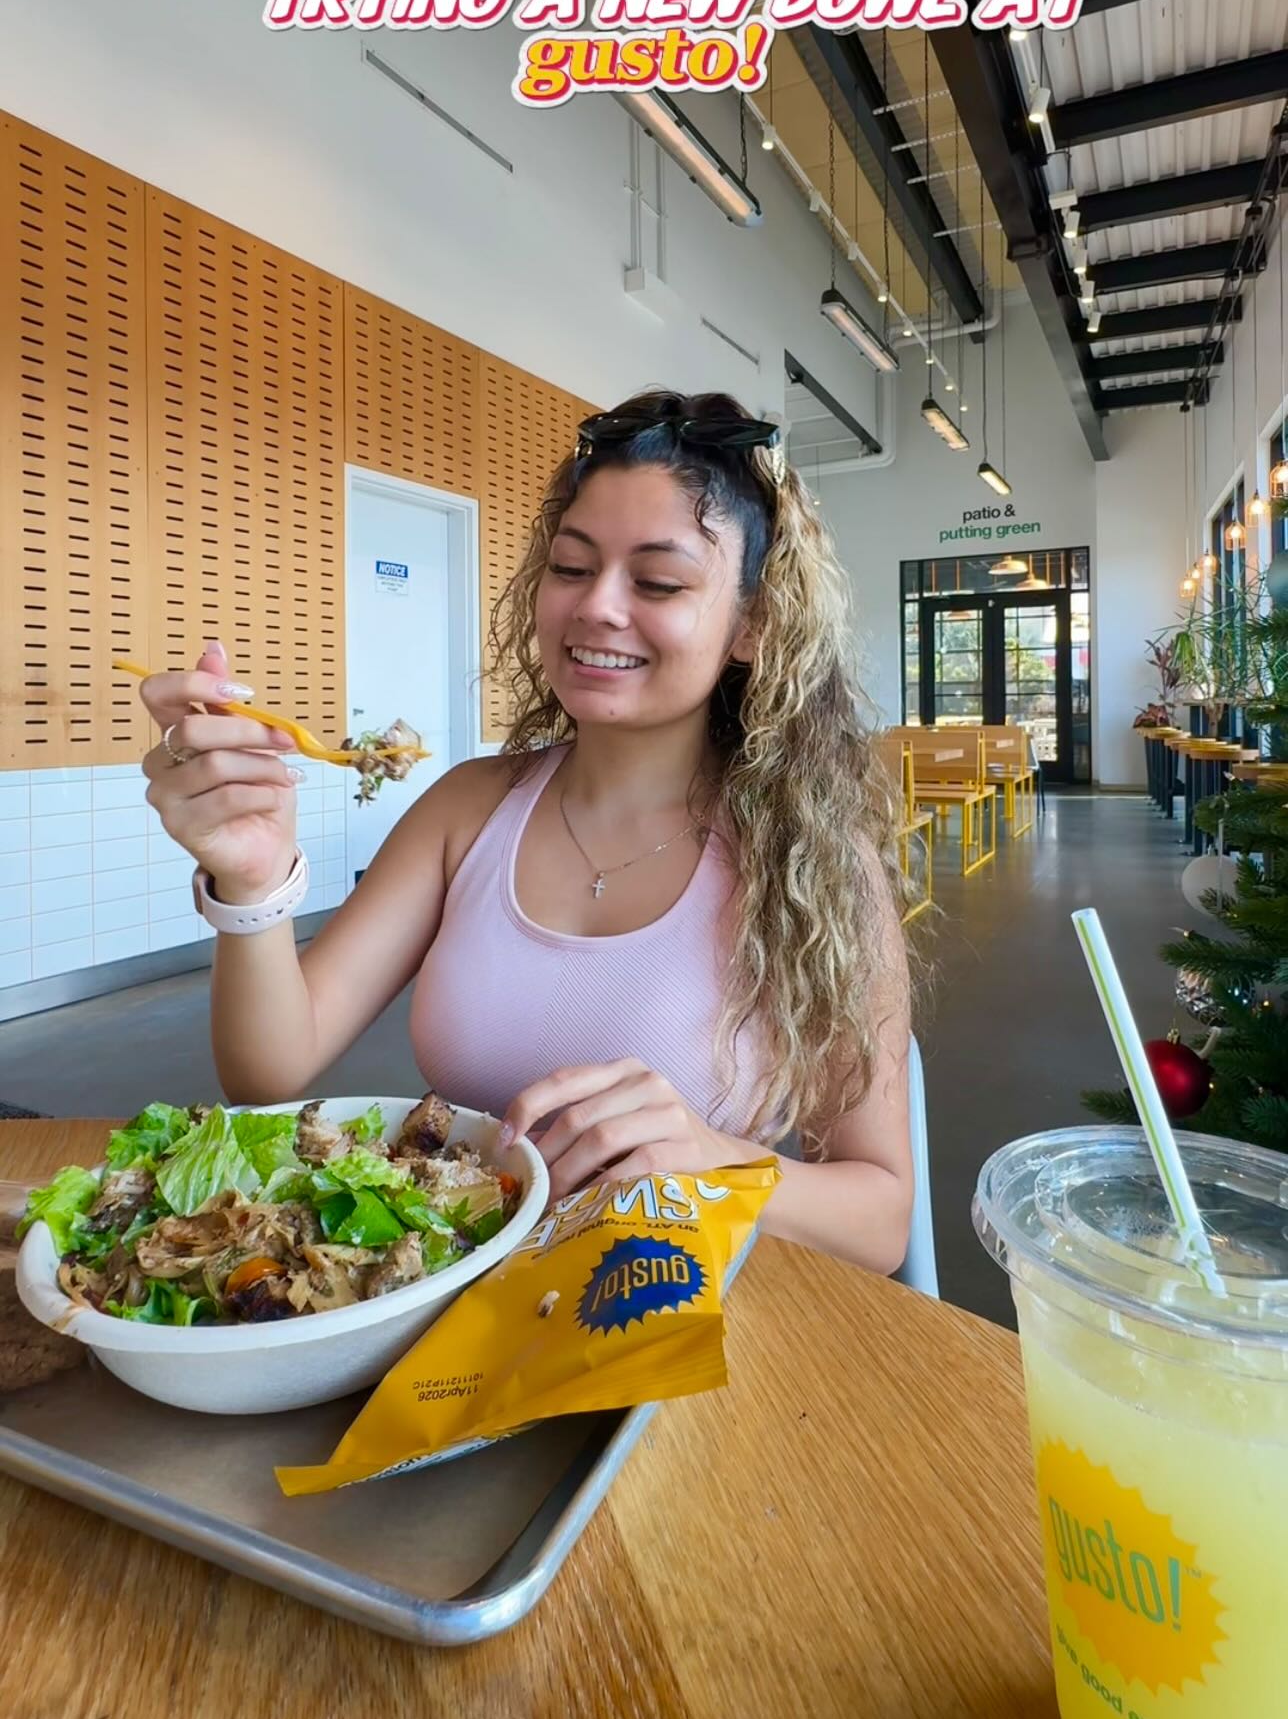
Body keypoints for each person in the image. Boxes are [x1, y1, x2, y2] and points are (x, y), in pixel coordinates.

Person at [137, 390, 913, 1270]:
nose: (596, 607)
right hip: (451, 1298)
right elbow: (268, 1071)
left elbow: (880, 1218)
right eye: (572, 567)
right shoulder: (468, 809)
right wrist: (251, 880)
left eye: (658, 582)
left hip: (671, 1310)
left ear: (754, 624)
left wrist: (712, 1160)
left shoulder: (810, 861)